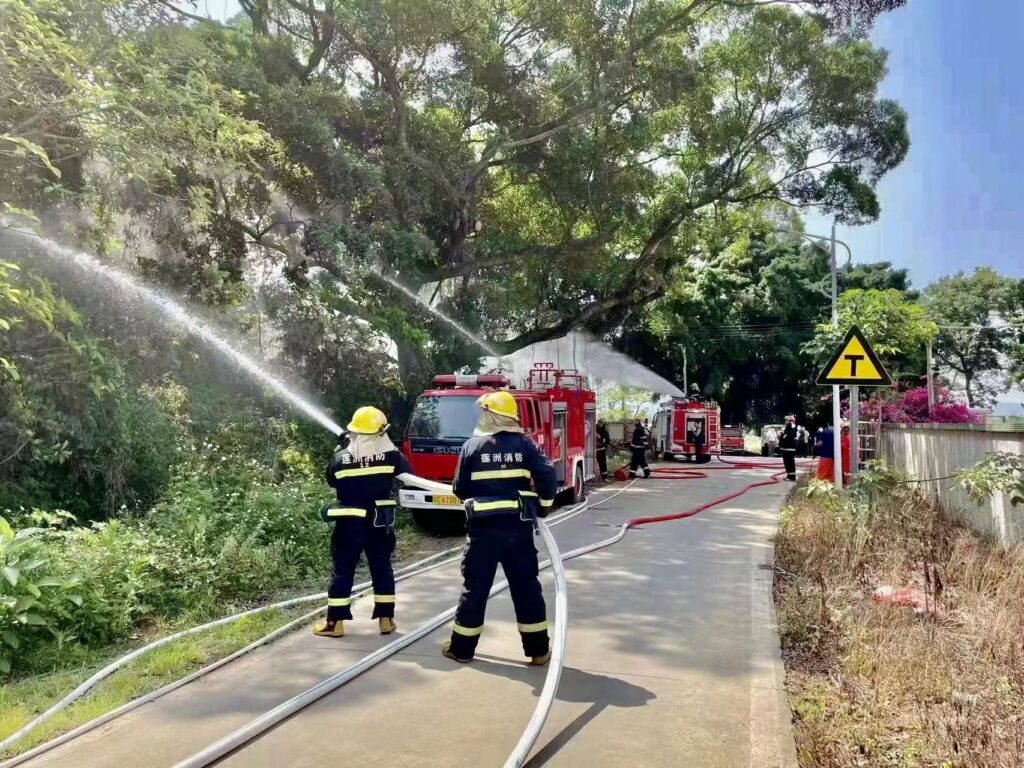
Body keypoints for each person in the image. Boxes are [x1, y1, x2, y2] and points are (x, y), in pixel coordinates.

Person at [442, 390, 557, 666]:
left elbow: (459, 489)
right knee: (527, 588)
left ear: (491, 415)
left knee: (476, 588)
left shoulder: (472, 446)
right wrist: (541, 507)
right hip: (518, 530)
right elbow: (548, 475)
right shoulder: (526, 445)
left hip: (483, 532)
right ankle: (539, 651)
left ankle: (461, 649)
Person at [314, 406, 410, 638]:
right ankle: (386, 620)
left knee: (342, 571)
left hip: (349, 525)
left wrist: (343, 448)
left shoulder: (339, 458)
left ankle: (335, 623)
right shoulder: (392, 456)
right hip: (379, 524)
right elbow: (406, 474)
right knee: (382, 568)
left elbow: (331, 480)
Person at [779, 415, 798, 481]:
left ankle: (792, 477)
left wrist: (783, 435)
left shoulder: (792, 427)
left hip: (789, 448)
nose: (785, 421)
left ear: (790, 421)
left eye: (786, 420)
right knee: (787, 462)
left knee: (789, 462)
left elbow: (789, 436)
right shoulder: (788, 427)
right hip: (786, 448)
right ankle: (789, 475)